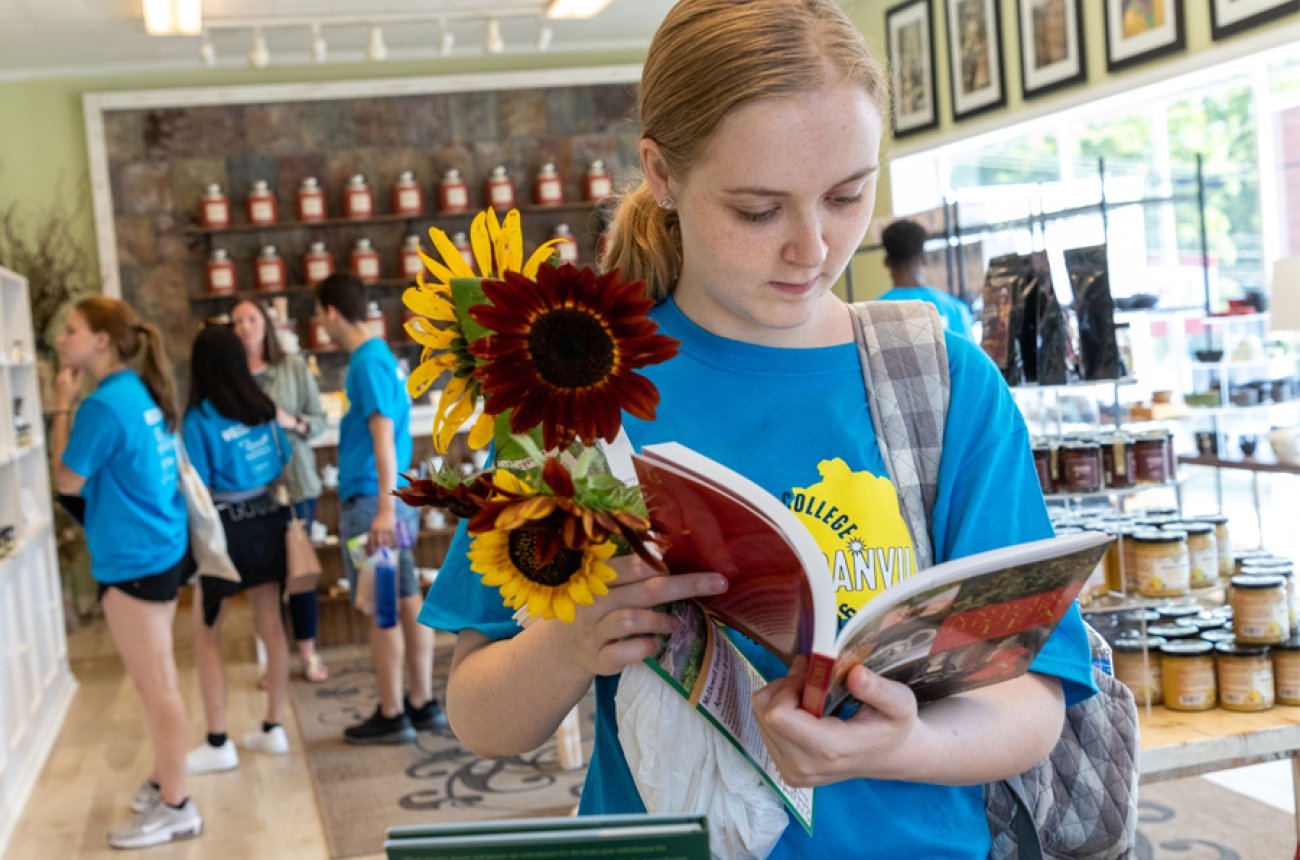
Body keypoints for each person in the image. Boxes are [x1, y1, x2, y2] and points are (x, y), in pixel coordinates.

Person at [418, 1, 1096, 858]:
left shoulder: (946, 384)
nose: (812, 248)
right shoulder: (574, 390)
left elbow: (1034, 697)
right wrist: (568, 645)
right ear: (661, 173)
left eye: (848, 195)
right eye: (758, 210)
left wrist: (902, 745)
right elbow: (480, 716)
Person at [49, 297, 203, 849]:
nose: (61, 339)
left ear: (101, 341)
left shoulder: (100, 406)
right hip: (160, 548)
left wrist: (61, 405)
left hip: (135, 560)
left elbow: (66, 480)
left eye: (71, 330)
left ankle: (177, 806)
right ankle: (166, 778)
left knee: (156, 685)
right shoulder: (136, 393)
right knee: (158, 679)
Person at [314, 273, 445, 743]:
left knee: (383, 606)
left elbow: (383, 437)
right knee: (406, 596)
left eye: (319, 314)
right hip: (392, 500)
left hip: (376, 504)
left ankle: (393, 713)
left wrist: (385, 511)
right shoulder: (383, 357)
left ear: (331, 312)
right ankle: (422, 702)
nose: (320, 324)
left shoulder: (365, 363)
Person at [181, 323, 294, 774]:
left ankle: (217, 740)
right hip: (268, 521)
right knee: (272, 627)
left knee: (206, 634)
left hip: (224, 532)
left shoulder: (199, 418)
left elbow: (199, 488)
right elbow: (282, 466)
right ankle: (273, 729)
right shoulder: (263, 407)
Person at [231, 298, 330, 684]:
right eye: (236, 321)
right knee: (265, 581)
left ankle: (307, 653)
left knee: (299, 571)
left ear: (266, 324)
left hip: (296, 485)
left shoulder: (291, 368)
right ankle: (275, 659)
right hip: (250, 492)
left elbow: (319, 422)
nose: (244, 327)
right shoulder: (232, 379)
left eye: (251, 319)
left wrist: (290, 421)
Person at [878, 218, 975, 338]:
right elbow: (968, 355)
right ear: (924, 258)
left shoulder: (872, 313)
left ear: (886, 262)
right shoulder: (954, 309)